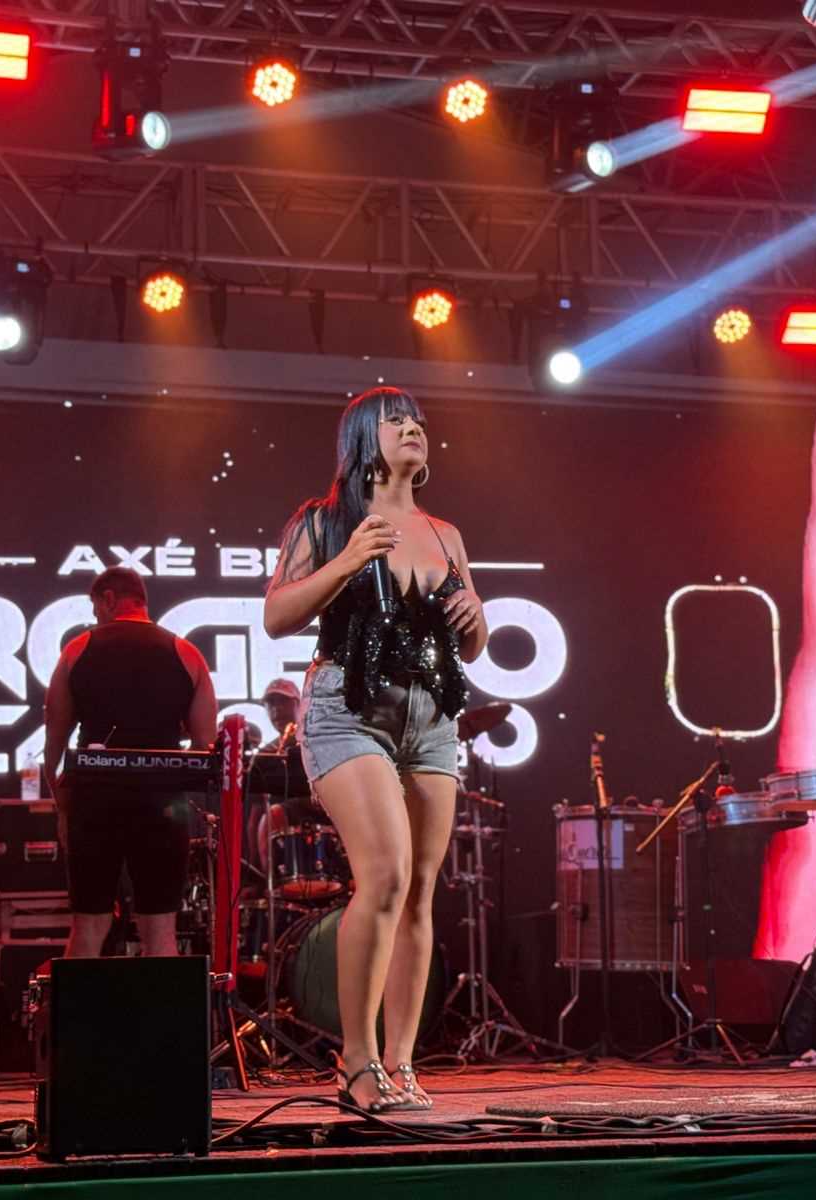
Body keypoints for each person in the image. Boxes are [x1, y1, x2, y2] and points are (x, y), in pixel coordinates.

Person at [263, 386, 486, 1115]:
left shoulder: (446, 534)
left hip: (432, 718)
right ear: (364, 438)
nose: (413, 428)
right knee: (384, 876)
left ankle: (400, 1063)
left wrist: (474, 616)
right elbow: (277, 616)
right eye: (396, 421)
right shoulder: (325, 521)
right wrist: (347, 561)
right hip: (347, 710)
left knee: (419, 890)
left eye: (418, 420)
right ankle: (355, 1061)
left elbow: (472, 645)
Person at [43, 567, 217, 960]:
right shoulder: (187, 654)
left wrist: (63, 808)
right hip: (161, 803)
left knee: (88, 927)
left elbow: (54, 742)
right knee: (161, 931)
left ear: (108, 599)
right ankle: (163, 1005)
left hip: (93, 801)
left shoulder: (76, 650)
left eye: (96, 609)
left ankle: (80, 1005)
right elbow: (205, 744)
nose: (96, 618)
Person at [252, 677, 305, 869]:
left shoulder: (317, 741)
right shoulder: (266, 753)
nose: (276, 709)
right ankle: (261, 878)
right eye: (271, 703)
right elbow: (256, 809)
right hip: (281, 828)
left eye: (282, 701)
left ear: (299, 704)